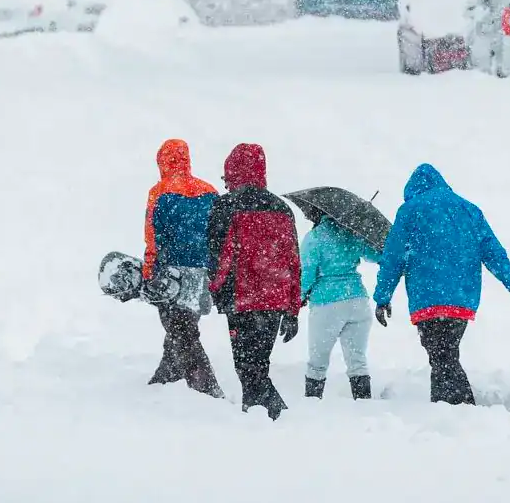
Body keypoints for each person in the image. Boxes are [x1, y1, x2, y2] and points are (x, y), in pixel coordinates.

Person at [372, 164, 510, 406]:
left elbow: (393, 258)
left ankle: (456, 407)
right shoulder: (469, 210)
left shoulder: (409, 211)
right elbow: (493, 252)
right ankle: (453, 408)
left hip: (426, 298)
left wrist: (382, 297)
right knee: (445, 353)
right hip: (461, 297)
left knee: (441, 357)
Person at [207, 143, 301, 420]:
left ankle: (274, 418)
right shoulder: (283, 209)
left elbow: (219, 256)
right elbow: (294, 261)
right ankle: (260, 419)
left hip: (242, 299)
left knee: (248, 368)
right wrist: (293, 309)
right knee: (258, 364)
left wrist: (215, 289)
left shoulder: (225, 206)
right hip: (275, 299)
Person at [143, 138, 223, 398]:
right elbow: (219, 234)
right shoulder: (210, 191)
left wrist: (148, 272)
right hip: (202, 272)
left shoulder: (160, 192)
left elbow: (153, 237)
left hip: (173, 272)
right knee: (182, 325)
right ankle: (167, 375)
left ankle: (207, 388)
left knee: (182, 330)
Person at [300, 211, 381, 400]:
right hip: (357, 300)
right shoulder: (352, 233)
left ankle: (312, 404)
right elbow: (377, 255)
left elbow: (307, 273)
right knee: (357, 361)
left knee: (317, 363)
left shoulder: (314, 237)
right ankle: (364, 404)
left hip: (327, 303)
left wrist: (300, 297)